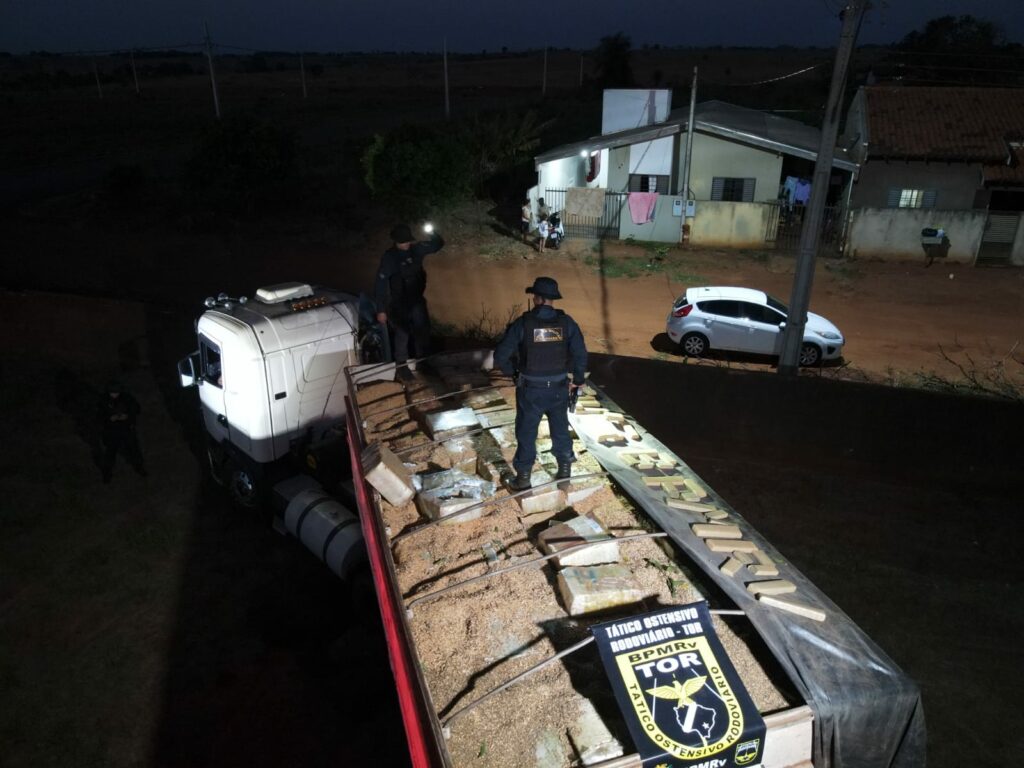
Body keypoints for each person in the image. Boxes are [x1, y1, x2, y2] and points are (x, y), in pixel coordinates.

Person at [493, 276, 587, 490]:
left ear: (536, 298)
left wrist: (513, 374)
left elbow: (501, 355)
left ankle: (524, 478)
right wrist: (578, 380)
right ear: (552, 299)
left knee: (527, 431)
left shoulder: (523, 323)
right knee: (560, 428)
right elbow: (580, 353)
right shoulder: (567, 323)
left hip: (531, 390)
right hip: (559, 389)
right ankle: (564, 473)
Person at [374, 223, 445, 373]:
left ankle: (422, 362)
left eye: (407, 241)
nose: (406, 244)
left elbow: (437, 245)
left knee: (422, 331)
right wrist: (381, 309)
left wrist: (432, 232)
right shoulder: (390, 257)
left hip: (417, 299)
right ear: (395, 241)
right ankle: (401, 365)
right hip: (399, 301)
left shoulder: (416, 249)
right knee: (402, 333)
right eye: (402, 242)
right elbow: (380, 283)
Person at [98, 381, 146, 482]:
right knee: (110, 453)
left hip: (126, 429)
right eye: (112, 393)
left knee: (134, 450)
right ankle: (107, 474)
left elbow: (136, 409)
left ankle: (140, 468)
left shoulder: (127, 398)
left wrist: (127, 416)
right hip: (111, 431)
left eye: (116, 392)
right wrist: (109, 419)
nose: (114, 395)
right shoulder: (103, 400)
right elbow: (99, 415)